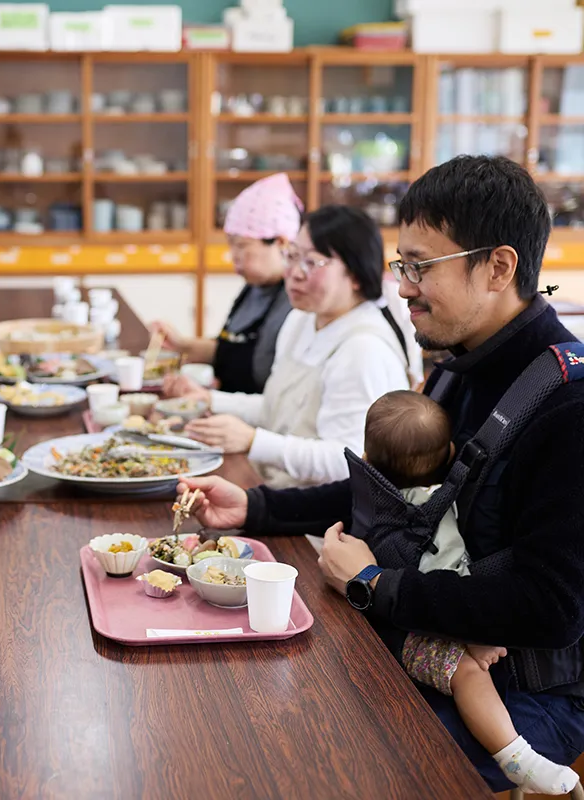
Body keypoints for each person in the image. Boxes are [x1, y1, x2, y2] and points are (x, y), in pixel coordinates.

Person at [176, 155, 584, 792]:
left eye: (421, 267)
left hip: (519, 691)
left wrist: (374, 584)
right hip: (426, 636)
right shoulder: (458, 365)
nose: (403, 288)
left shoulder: (567, 405)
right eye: (402, 265)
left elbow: (552, 610)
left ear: (499, 268)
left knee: (325, 767)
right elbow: (389, 492)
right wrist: (255, 509)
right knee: (242, 710)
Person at [362, 390, 578, 795]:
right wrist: (475, 638)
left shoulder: (382, 508)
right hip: (432, 622)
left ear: (367, 461)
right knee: (467, 675)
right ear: (450, 453)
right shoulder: (440, 508)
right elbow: (447, 576)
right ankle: (516, 756)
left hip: (409, 617)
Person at [182, 206, 414, 488]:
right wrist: (211, 401)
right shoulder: (301, 320)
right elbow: (280, 409)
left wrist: (253, 441)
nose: (294, 273)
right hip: (277, 486)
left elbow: (347, 461)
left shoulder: (364, 350)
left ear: (356, 274)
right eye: (292, 256)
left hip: (323, 510)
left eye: (312, 262)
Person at [153, 172, 300, 397]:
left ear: (281, 242)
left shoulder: (295, 302)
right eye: (231, 245)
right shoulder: (254, 288)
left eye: (242, 246)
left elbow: (262, 375)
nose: (234, 256)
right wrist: (182, 345)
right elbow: (228, 351)